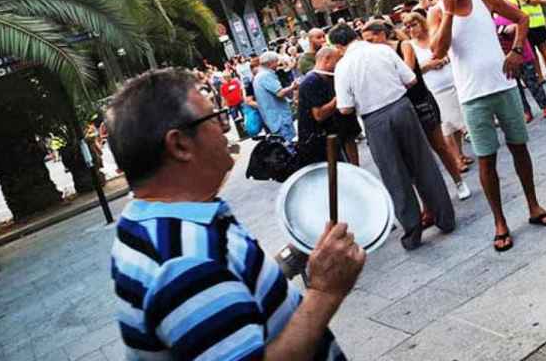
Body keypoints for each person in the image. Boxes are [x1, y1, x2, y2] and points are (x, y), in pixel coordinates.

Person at [106, 68, 362, 360]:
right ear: (179, 145)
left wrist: (291, 258)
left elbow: (224, 296)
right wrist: (325, 292)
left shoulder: (147, 219)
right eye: (215, 118)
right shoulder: (184, 258)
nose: (224, 127)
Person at [429, 0, 546, 252]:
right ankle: (499, 222)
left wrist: (516, 51)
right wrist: (449, 13)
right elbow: (438, 51)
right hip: (472, 95)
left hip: (503, 85)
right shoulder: (438, 12)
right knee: (486, 159)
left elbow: (522, 19)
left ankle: (534, 206)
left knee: (519, 147)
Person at [330, 23, 456, 250]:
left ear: (339, 46)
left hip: (374, 119)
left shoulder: (343, 66)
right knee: (424, 163)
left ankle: (413, 230)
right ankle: (445, 218)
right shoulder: (382, 49)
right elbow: (410, 79)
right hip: (402, 108)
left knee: (394, 175)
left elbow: (345, 108)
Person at [361, 19, 471, 201]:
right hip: (400, 105)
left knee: (439, 146)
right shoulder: (373, 57)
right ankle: (429, 199)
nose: (368, 45)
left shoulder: (403, 46)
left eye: (370, 40)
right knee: (412, 155)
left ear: (381, 34)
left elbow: (408, 71)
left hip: (420, 101)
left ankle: (459, 182)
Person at [402, 12, 473, 172]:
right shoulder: (410, 46)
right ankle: (455, 159)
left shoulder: (434, 37)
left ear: (422, 23)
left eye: (414, 24)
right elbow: (412, 70)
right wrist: (430, 64)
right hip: (434, 88)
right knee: (446, 125)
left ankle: (460, 153)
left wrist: (444, 59)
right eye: (407, 26)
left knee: (456, 123)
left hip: (453, 81)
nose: (411, 29)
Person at [297, 46, 362, 167]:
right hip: (319, 142)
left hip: (334, 136)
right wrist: (341, 96)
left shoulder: (329, 78)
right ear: (326, 59)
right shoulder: (311, 81)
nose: (340, 64)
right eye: (337, 60)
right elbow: (319, 115)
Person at [252, 51, 297, 142]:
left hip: (274, 119)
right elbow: (279, 93)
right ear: (270, 63)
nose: (278, 64)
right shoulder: (266, 75)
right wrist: (292, 87)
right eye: (276, 62)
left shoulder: (259, 76)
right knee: (290, 145)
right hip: (280, 119)